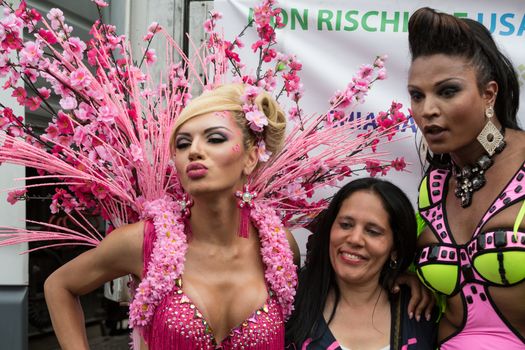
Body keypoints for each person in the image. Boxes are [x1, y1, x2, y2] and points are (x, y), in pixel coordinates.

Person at [43, 83, 300, 349]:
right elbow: (59, 286)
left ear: (251, 157)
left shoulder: (280, 249)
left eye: (215, 139)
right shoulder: (143, 242)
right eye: (183, 143)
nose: (194, 151)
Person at [407, 7, 525, 349]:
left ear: (489, 94)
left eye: (447, 91)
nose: (427, 109)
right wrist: (407, 280)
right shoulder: (434, 185)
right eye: (417, 95)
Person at [286, 178, 437, 349]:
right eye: (345, 225)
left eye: (373, 232)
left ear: (395, 248)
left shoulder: (419, 309)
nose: (355, 239)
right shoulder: (289, 301)